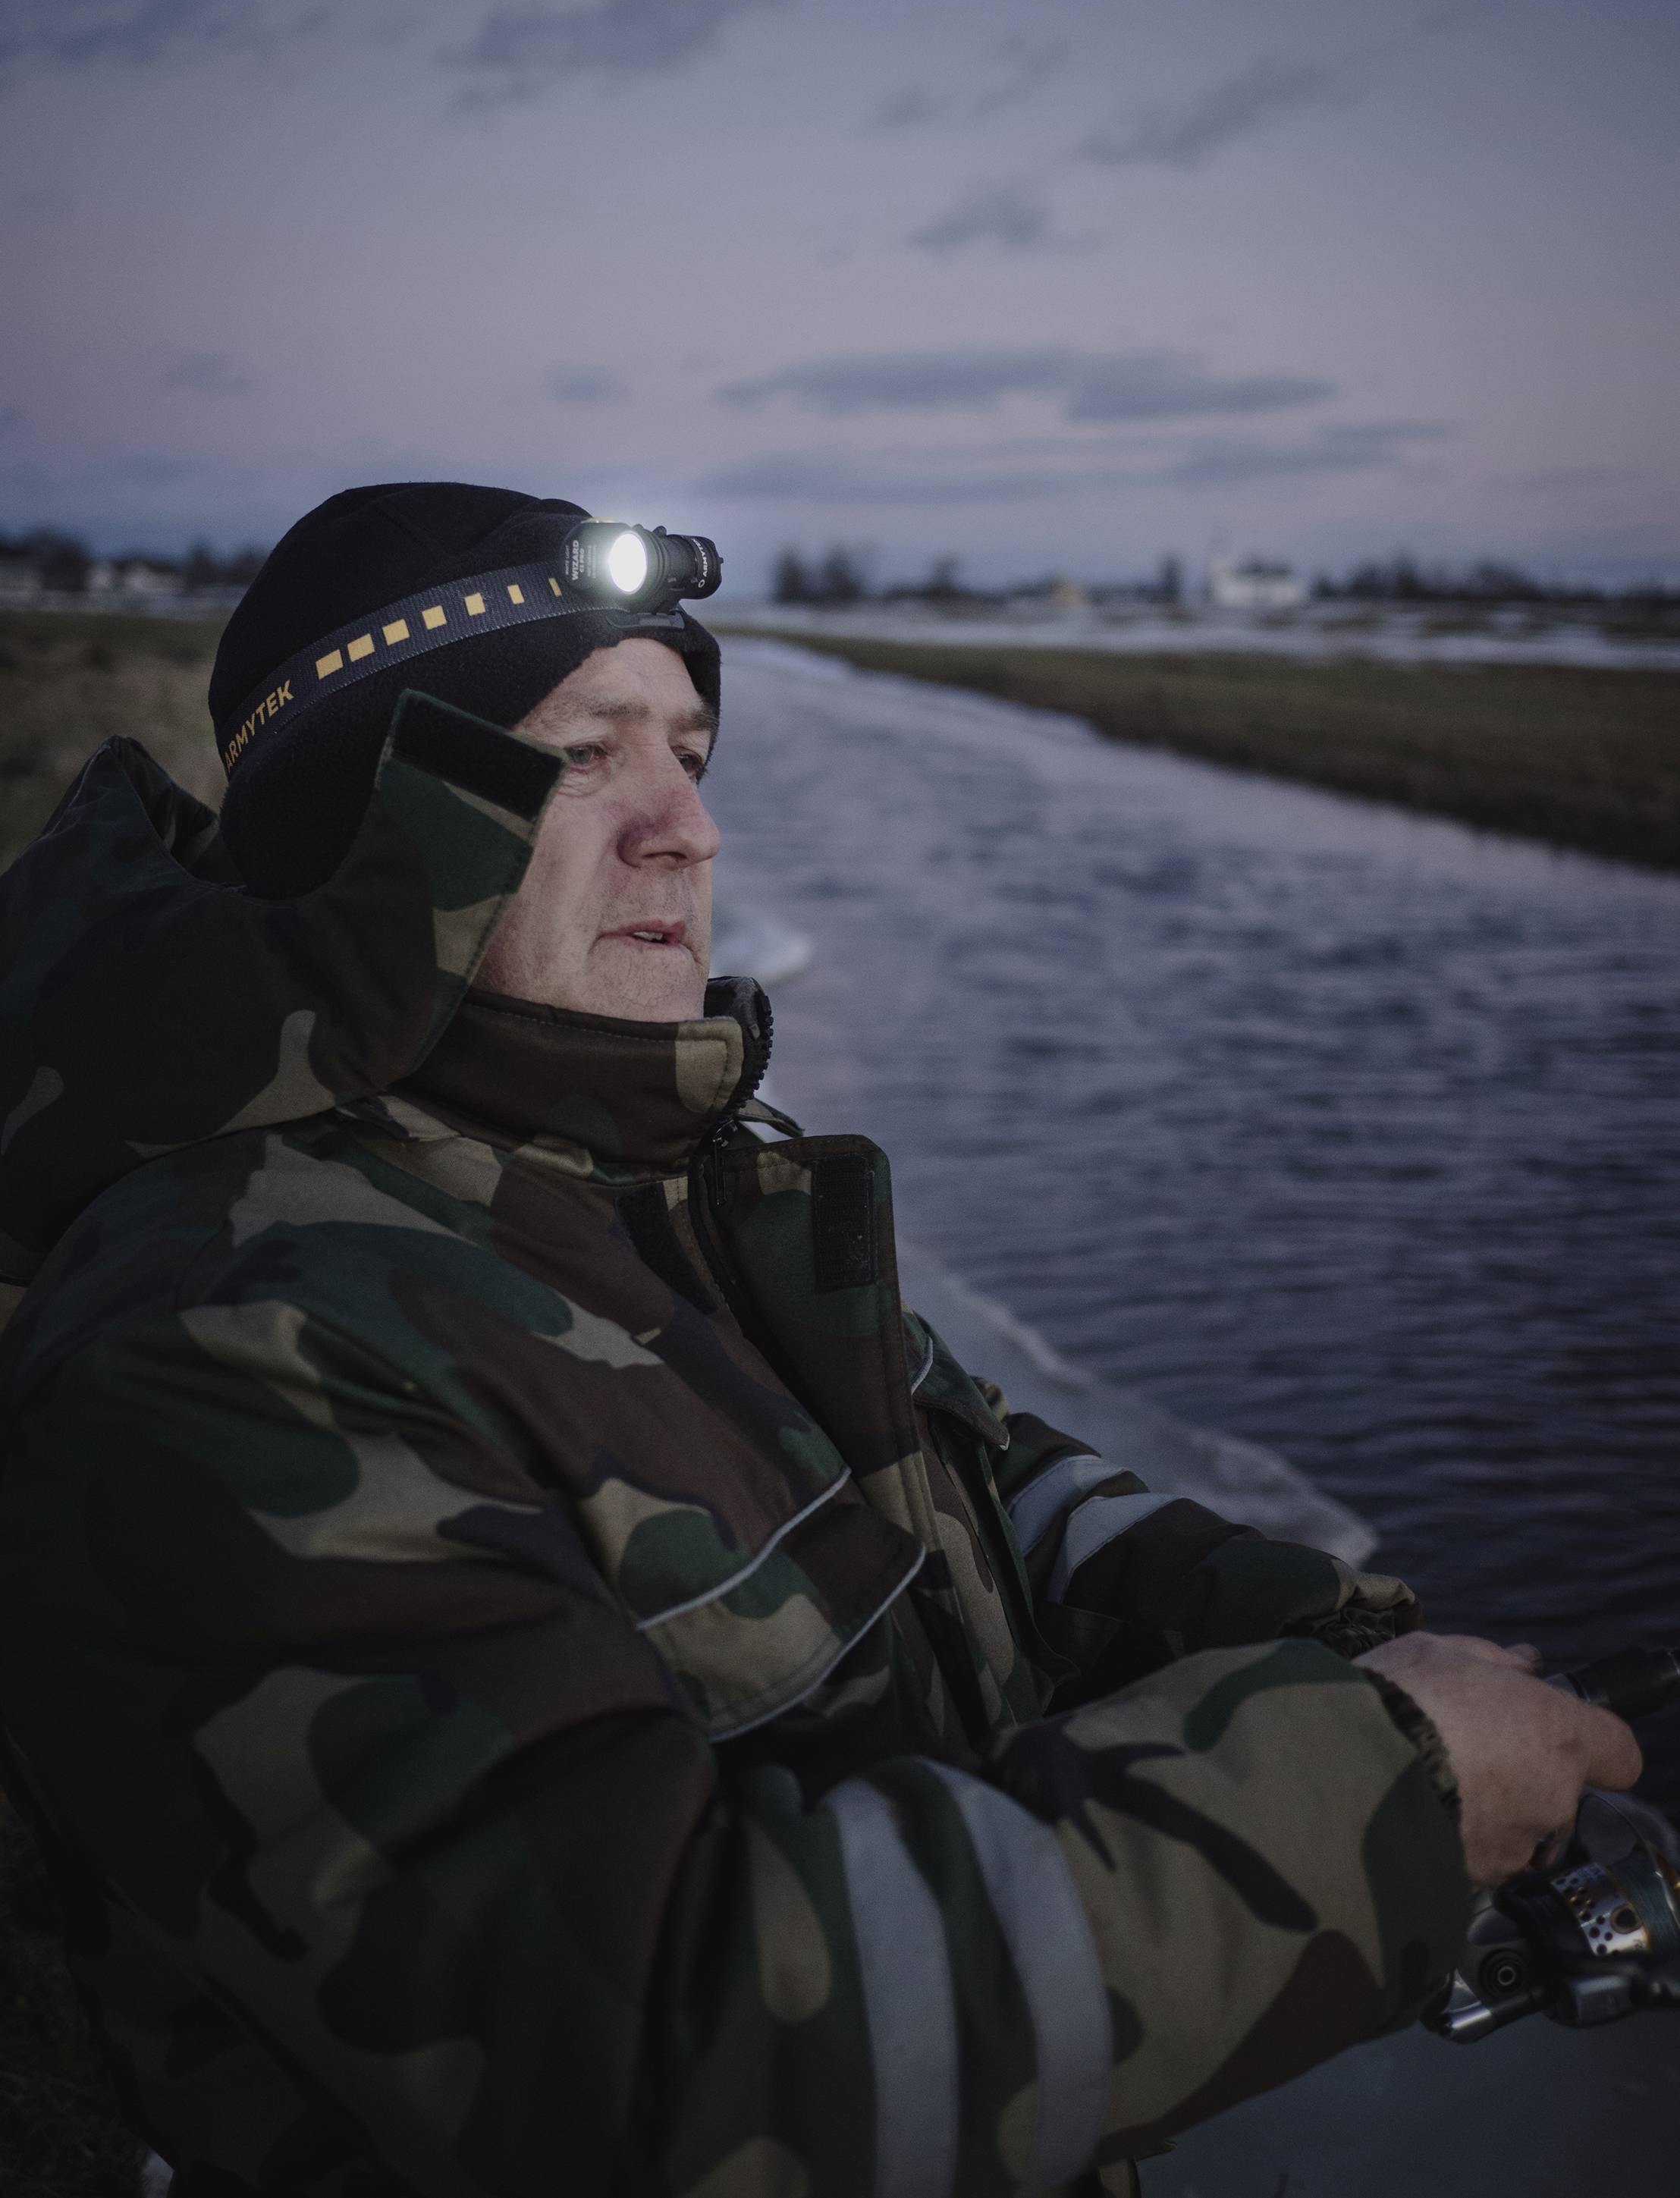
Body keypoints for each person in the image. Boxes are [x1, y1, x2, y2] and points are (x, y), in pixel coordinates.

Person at [0, 483, 1639, 2198]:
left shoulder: (643, 1177)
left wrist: (1323, 1634)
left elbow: (971, 1480)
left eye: (692, 751)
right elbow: (664, 2048)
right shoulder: (220, 1346)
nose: (687, 830)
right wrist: (1371, 1793)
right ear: (365, 829)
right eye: (579, 755)